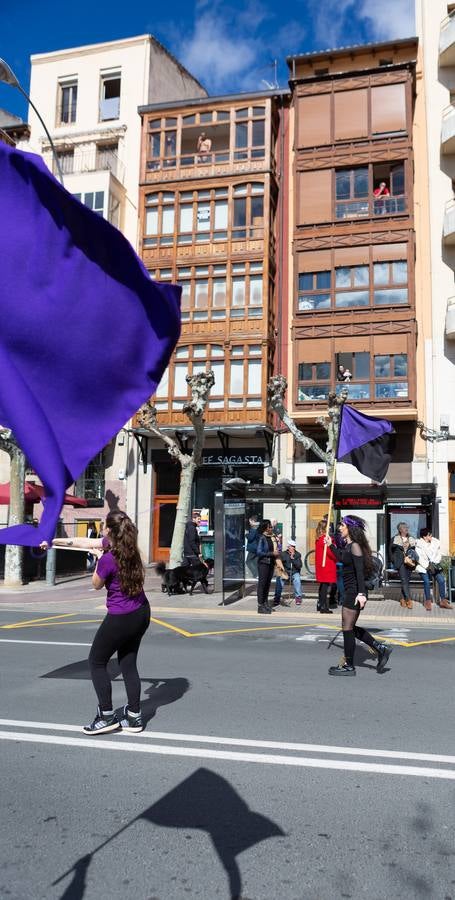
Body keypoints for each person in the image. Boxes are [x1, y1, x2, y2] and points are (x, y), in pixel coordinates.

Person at [41, 511, 150, 734]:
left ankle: (107, 716)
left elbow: (97, 584)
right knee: (128, 663)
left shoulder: (109, 558)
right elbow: (82, 542)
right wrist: (52, 541)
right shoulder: (130, 549)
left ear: (109, 530)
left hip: (122, 617)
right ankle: (134, 717)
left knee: (96, 662)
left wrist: (99, 560)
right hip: (141, 612)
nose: (100, 530)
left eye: (102, 526)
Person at [326, 516, 392, 676]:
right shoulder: (349, 545)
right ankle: (381, 648)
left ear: (350, 528)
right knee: (349, 628)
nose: (340, 528)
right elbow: (342, 558)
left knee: (347, 628)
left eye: (342, 525)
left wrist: (362, 594)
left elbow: (359, 572)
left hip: (355, 592)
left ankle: (350, 665)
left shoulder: (355, 546)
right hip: (350, 591)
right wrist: (331, 545)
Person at [416, 528, 452, 611]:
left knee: (441, 580)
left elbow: (438, 555)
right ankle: (428, 601)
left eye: (431, 534)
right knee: (426, 582)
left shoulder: (435, 543)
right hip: (423, 567)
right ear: (424, 537)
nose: (431, 536)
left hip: (434, 566)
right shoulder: (419, 545)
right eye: (429, 535)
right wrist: (427, 566)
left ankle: (443, 600)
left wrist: (435, 562)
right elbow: (419, 558)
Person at [391, 522, 417, 609]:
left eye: (406, 527)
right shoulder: (395, 539)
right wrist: (394, 560)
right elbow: (390, 551)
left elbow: (414, 550)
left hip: (409, 562)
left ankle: (402, 599)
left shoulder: (411, 538)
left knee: (406, 581)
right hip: (400, 562)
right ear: (400, 529)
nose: (406, 529)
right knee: (403, 580)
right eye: (404, 528)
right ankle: (408, 600)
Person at [256, 519, 279, 614]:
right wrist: (272, 553)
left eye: (271, 526)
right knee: (262, 584)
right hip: (263, 563)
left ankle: (265, 603)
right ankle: (260, 605)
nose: (271, 528)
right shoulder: (262, 537)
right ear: (265, 528)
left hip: (271, 563)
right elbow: (259, 552)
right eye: (269, 527)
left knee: (267, 584)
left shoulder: (272, 537)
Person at [315, 520, 337, 613]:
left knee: (323, 586)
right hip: (327, 565)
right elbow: (331, 552)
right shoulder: (325, 539)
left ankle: (320, 604)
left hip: (322, 565)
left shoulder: (320, 538)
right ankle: (323, 606)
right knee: (325, 587)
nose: (330, 528)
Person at [273, 539, 303, 606]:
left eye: (292, 546)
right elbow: (279, 562)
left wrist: (293, 558)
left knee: (297, 579)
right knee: (279, 580)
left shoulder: (298, 554)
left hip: (294, 572)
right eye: (290, 546)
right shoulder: (283, 554)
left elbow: (299, 566)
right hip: (285, 572)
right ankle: (277, 597)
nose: (291, 548)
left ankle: (298, 597)